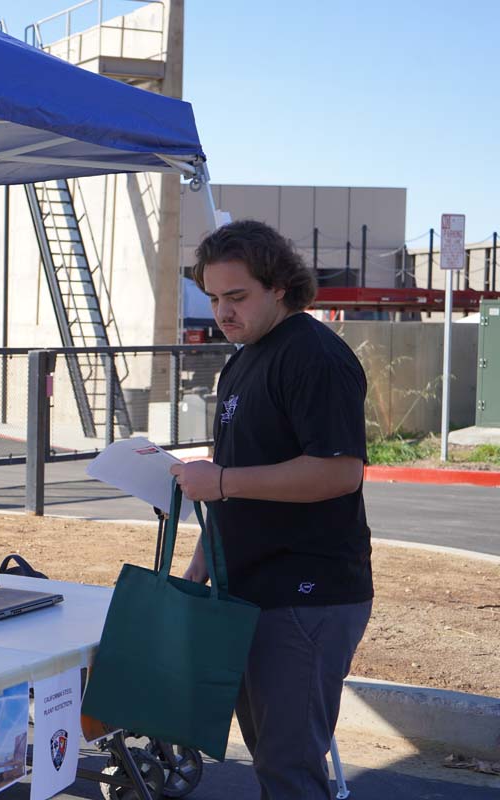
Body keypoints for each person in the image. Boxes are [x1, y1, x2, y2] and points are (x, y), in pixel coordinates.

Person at [169, 220, 373, 799]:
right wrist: (201, 562)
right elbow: (235, 475)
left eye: (237, 296)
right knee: (273, 761)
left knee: (289, 768)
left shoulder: (314, 356)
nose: (223, 312)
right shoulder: (244, 358)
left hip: (306, 593)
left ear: (279, 286)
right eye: (213, 298)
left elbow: (339, 471)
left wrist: (221, 480)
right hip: (249, 590)